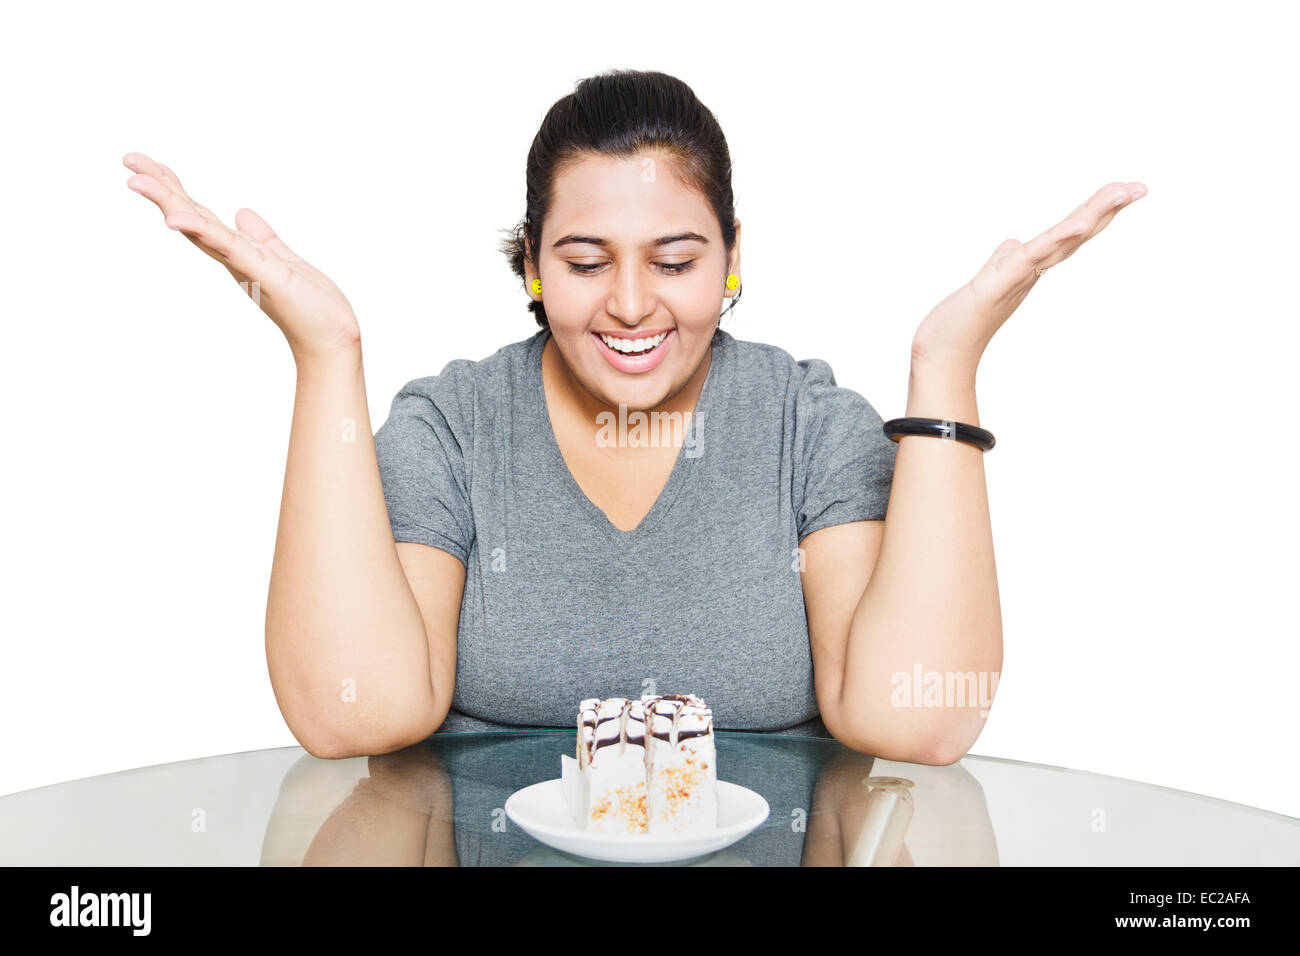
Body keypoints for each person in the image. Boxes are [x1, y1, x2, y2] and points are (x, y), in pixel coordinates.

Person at [123, 68, 1143, 766]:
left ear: (732, 251)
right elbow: (353, 711)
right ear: (529, 260)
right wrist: (326, 354)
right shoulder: (453, 424)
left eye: (675, 259)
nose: (629, 305)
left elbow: (916, 721)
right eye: (582, 261)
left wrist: (944, 366)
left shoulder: (808, 421)